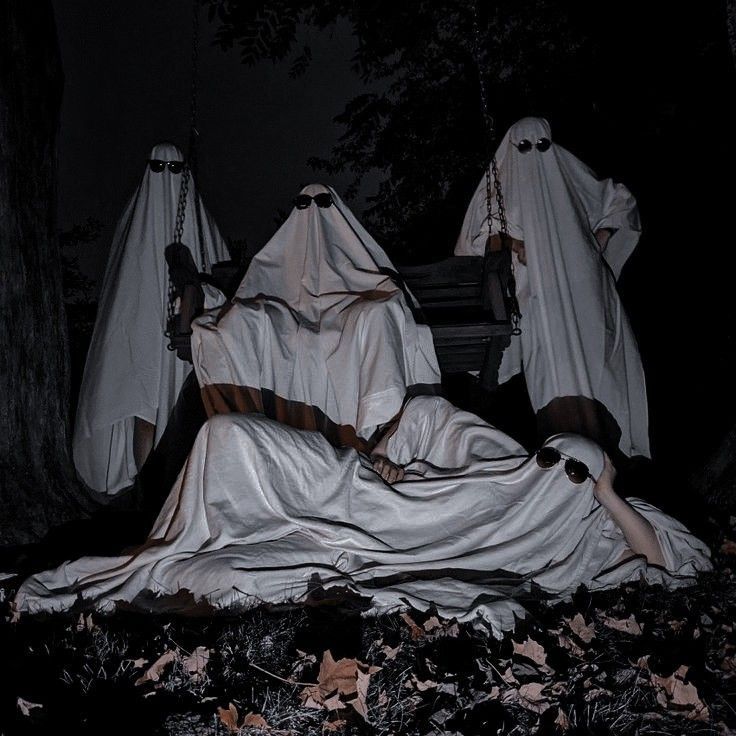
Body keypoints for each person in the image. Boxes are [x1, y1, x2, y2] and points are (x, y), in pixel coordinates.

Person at [14, 396, 710, 636]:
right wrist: (397, 468)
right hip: (372, 499)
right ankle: (181, 529)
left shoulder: (597, 530)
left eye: (575, 475)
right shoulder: (510, 468)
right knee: (230, 438)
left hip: (382, 547)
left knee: (221, 573)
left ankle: (172, 556)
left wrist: (608, 495)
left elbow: (670, 563)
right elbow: (443, 441)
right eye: (551, 460)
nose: (552, 476)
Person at [190, 183, 441, 452]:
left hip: (347, 317)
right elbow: (253, 296)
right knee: (242, 319)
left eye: (322, 203)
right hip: (295, 320)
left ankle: (382, 437)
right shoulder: (280, 263)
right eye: (303, 205)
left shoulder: (363, 270)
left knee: (379, 313)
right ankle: (253, 438)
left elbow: (385, 297)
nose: (313, 216)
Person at [455, 117, 648, 465]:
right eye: (524, 147)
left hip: (584, 292)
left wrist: (598, 238)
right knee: (553, 382)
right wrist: (516, 245)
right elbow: (478, 240)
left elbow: (620, 203)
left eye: (541, 145)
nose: (535, 154)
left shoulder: (568, 176)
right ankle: (575, 467)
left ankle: (619, 465)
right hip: (539, 305)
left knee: (603, 373)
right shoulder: (501, 187)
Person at [72, 142, 229, 496]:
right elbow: (123, 294)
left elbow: (220, 282)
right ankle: (146, 489)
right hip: (142, 340)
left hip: (188, 344)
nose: (166, 180)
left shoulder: (199, 226)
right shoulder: (134, 231)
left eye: (174, 171)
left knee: (185, 412)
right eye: (159, 170)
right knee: (143, 406)